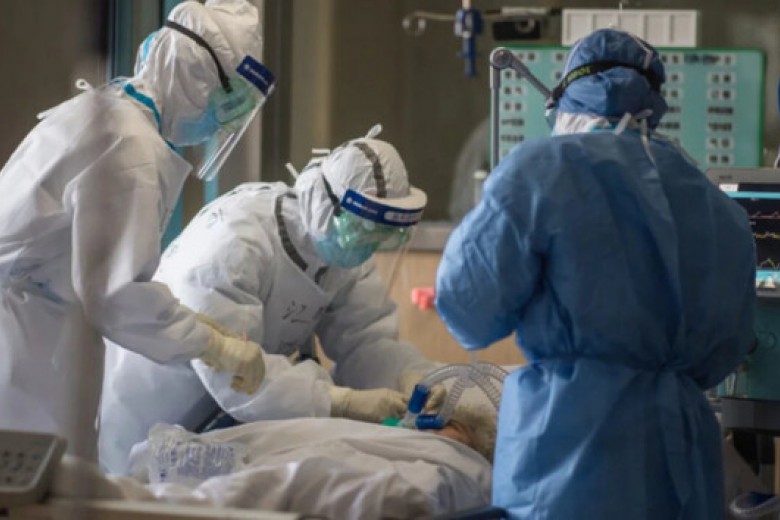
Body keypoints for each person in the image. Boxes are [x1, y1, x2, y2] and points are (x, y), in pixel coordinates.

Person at [435, 28, 756, 520]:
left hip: (570, 451)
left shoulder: (540, 170)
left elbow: (467, 308)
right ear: (655, 102)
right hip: (684, 457)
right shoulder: (719, 206)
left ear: (565, 98)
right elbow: (728, 353)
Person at [0, 0, 270, 462]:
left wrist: (197, 325)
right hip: (21, 342)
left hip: (32, 326)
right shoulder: (133, 150)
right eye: (227, 103)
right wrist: (212, 345)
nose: (223, 121)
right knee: (32, 481)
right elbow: (115, 294)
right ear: (195, 78)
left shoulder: (109, 112)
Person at [99, 127, 444, 474]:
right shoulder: (234, 244)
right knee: (141, 487)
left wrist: (407, 375)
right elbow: (237, 376)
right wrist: (341, 402)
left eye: (381, 235)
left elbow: (367, 341)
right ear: (325, 205)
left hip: (229, 426)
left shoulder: (344, 251)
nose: (367, 246)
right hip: (154, 409)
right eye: (362, 230)